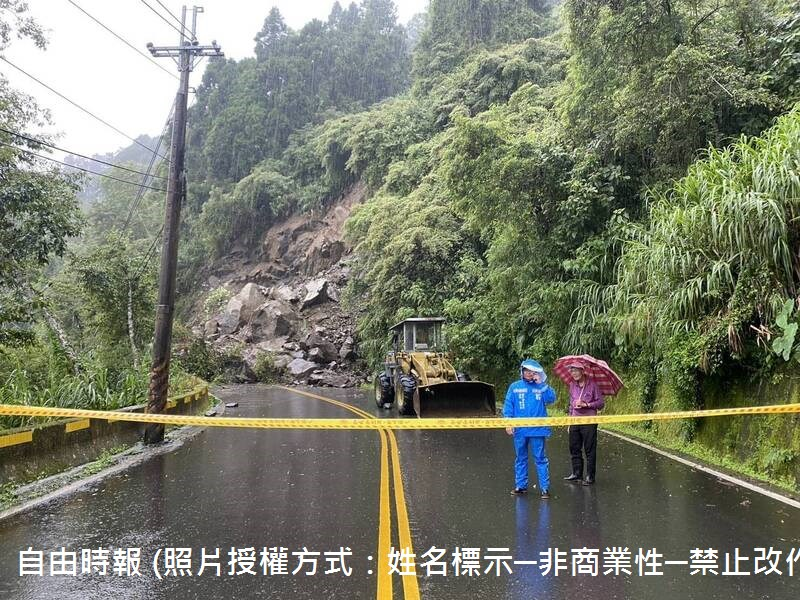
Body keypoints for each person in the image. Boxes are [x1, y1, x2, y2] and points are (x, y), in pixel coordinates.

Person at [503, 359, 556, 498]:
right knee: (520, 458)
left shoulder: (541, 387)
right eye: (526, 370)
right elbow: (508, 406)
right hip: (520, 430)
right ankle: (521, 486)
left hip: (538, 430)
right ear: (522, 371)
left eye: (532, 371)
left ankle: (545, 488)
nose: (529, 373)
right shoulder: (514, 387)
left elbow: (551, 399)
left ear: (537, 372)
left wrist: (542, 384)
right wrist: (508, 422)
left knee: (540, 458)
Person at [563, 362, 605, 485]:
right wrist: (570, 422)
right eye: (572, 371)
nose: (573, 373)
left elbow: (601, 403)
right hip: (575, 420)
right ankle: (577, 473)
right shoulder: (572, 385)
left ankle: (590, 476)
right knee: (574, 447)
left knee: (589, 449)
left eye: (576, 371)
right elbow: (571, 404)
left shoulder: (592, 385)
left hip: (589, 421)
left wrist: (587, 404)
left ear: (582, 371)